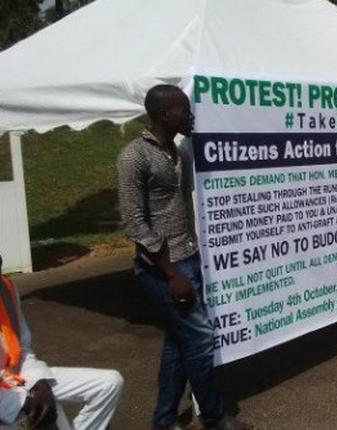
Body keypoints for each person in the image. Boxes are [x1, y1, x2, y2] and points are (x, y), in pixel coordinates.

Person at [117, 85, 251, 430]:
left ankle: (163, 421)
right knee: (200, 338)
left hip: (188, 257)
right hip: (163, 268)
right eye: (183, 111)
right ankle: (215, 417)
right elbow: (134, 222)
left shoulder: (177, 152)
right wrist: (170, 272)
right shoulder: (134, 156)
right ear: (163, 114)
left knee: (178, 343)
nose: (189, 116)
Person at [0, 255, 123, 429]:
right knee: (48, 410)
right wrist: (22, 403)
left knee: (109, 384)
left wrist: (40, 382)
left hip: (17, 376)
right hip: (5, 399)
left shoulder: (5, 288)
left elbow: (22, 348)